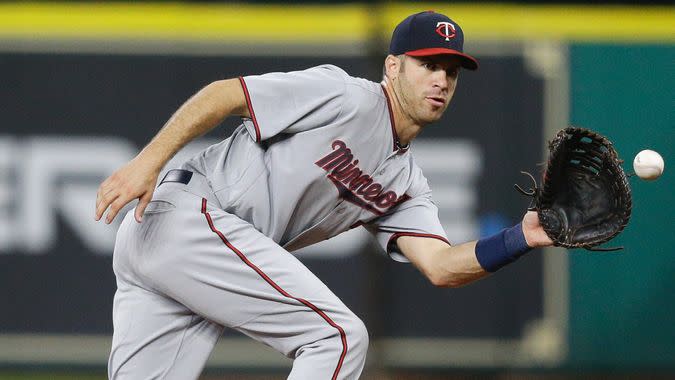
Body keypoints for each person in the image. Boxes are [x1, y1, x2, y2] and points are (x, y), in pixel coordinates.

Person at [96, 11, 553, 380]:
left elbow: (441, 266)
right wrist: (146, 162)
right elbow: (225, 94)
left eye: (451, 72)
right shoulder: (347, 96)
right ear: (393, 66)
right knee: (339, 338)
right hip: (188, 218)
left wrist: (522, 237)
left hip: (183, 252)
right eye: (428, 65)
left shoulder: (407, 184)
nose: (441, 81)